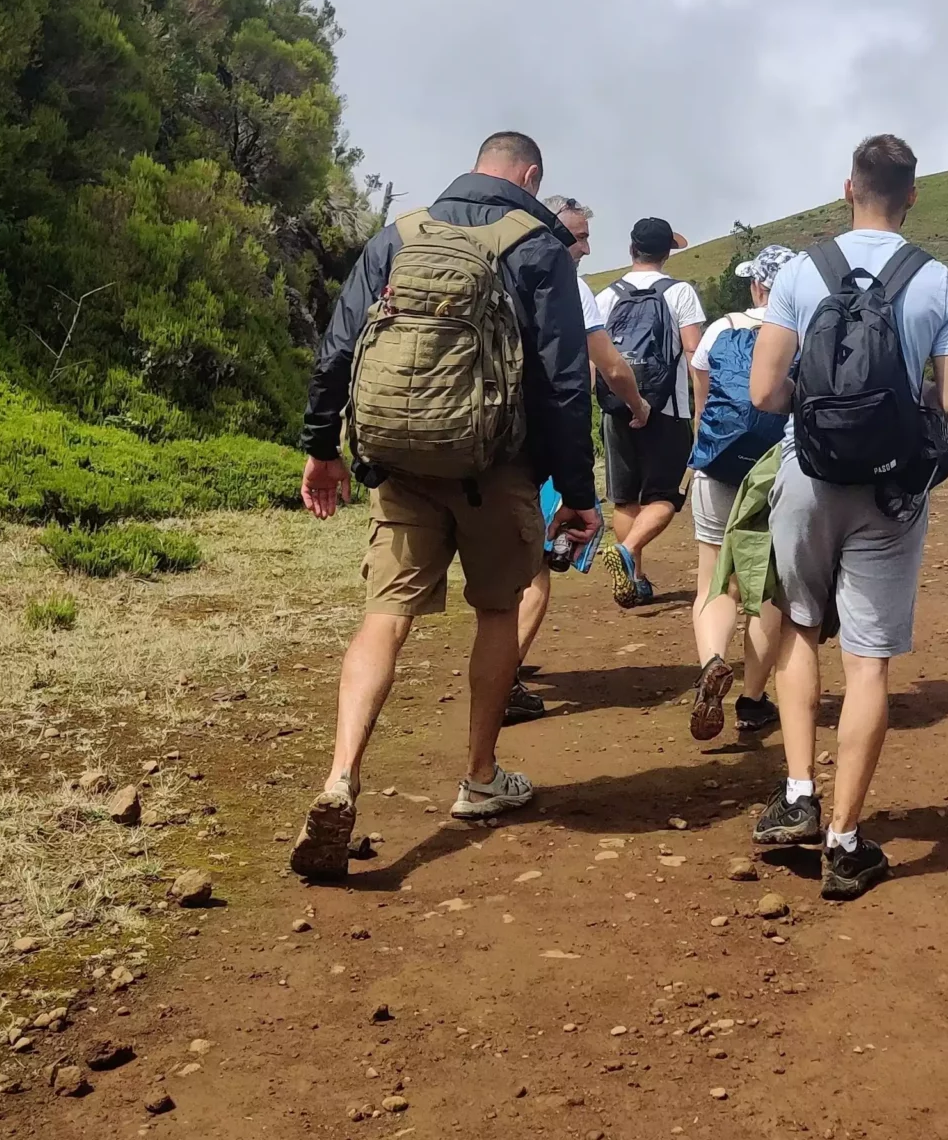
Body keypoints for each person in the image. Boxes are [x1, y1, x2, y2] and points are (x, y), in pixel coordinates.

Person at [289, 131, 602, 880]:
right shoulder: (539, 244)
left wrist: (320, 445)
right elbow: (563, 384)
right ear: (529, 175)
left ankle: (340, 775)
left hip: (398, 464)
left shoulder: (400, 234)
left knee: (384, 616)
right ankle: (480, 776)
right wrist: (579, 496)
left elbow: (338, 348)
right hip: (497, 466)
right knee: (499, 610)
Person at [746, 134, 948, 900]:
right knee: (869, 661)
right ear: (913, 195)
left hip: (808, 474)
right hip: (892, 493)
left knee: (801, 630)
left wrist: (822, 408)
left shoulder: (802, 273)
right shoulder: (939, 282)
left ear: (849, 188)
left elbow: (764, 392)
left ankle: (799, 794)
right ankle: (844, 842)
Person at [502, 196, 648, 725]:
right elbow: (608, 363)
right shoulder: (569, 284)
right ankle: (503, 683)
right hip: (540, 447)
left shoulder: (496, 264)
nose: (584, 248)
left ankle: (496, 668)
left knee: (503, 570)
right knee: (538, 568)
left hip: (487, 442)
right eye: (578, 236)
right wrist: (638, 405)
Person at [682, 243, 798, 741]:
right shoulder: (803, 334)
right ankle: (752, 700)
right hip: (777, 471)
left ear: (756, 285)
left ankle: (712, 660)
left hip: (718, 464)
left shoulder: (720, 329)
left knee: (714, 576)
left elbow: (702, 401)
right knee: (768, 586)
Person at [598, 218, 706, 609]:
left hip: (617, 408)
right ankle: (627, 552)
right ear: (666, 253)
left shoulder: (608, 296)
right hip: (669, 409)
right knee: (665, 495)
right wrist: (701, 408)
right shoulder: (680, 293)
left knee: (626, 499)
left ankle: (635, 579)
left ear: (632, 249)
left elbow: (595, 358)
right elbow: (695, 353)